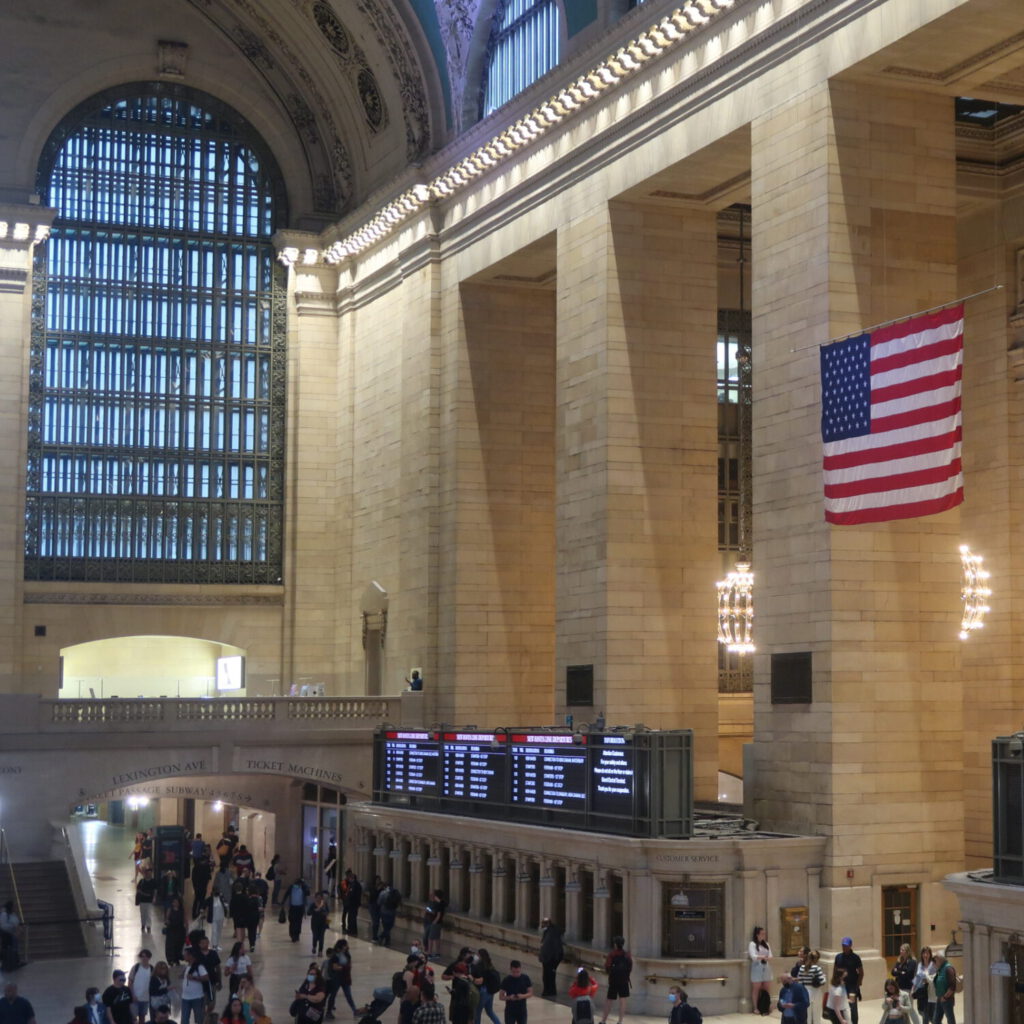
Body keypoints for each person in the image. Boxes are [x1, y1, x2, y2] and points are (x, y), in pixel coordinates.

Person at [601, 937, 632, 1024]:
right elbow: (630, 967)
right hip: (624, 980)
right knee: (623, 1001)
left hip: (613, 980)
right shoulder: (627, 955)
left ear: (615, 944)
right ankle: (620, 1021)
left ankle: (603, 1021)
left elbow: (607, 966)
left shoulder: (612, 954)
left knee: (609, 1000)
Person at [325, 939, 358, 1019]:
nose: (347, 946)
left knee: (348, 995)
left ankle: (355, 1011)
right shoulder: (335, 955)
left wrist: (342, 967)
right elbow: (335, 967)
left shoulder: (347, 954)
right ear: (342, 946)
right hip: (336, 979)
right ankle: (328, 1012)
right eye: (346, 945)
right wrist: (344, 967)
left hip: (345, 978)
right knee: (333, 995)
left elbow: (347, 965)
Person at [834, 938, 863, 1024]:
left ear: (850, 946)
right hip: (841, 986)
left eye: (846, 945)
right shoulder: (838, 957)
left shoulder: (855, 957)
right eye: (843, 945)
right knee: (840, 1006)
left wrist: (857, 986)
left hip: (852, 986)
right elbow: (835, 970)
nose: (844, 947)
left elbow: (861, 972)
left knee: (853, 1006)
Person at [890, 945, 921, 1024]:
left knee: (909, 1009)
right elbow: (893, 972)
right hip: (899, 988)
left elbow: (909, 974)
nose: (900, 951)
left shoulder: (912, 962)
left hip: (908, 988)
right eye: (900, 949)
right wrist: (901, 972)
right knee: (902, 1009)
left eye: (902, 950)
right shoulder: (899, 961)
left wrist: (898, 971)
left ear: (907, 951)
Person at [470, 948, 502, 1024]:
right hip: (491, 991)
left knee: (478, 1012)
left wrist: (472, 979)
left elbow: (479, 981)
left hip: (484, 991)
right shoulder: (489, 963)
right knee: (489, 1011)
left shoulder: (480, 966)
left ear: (480, 956)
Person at [179, 948, 211, 1024]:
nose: (184, 956)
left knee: (199, 1018)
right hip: (185, 997)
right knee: (184, 1019)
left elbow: (206, 977)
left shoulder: (199, 967)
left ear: (191, 956)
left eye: (185, 954)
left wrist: (194, 978)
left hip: (197, 997)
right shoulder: (187, 967)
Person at [748, 926, 773, 1016]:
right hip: (756, 967)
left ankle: (766, 1005)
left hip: (766, 967)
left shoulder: (766, 944)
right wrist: (762, 957)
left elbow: (770, 956)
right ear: (757, 934)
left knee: (767, 987)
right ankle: (756, 1007)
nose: (764, 935)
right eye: (762, 934)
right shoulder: (752, 944)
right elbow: (753, 956)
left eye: (764, 934)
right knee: (756, 988)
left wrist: (764, 957)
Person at [538, 918, 563, 999]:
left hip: (551, 958)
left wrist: (555, 958)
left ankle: (549, 991)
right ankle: (549, 990)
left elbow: (554, 946)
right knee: (548, 975)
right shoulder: (548, 932)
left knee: (549, 975)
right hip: (548, 958)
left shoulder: (552, 932)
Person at [128, 950, 155, 1024]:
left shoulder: (152, 969)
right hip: (135, 998)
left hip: (145, 999)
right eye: (142, 956)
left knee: (142, 1017)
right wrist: (132, 995)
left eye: (146, 956)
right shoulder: (136, 967)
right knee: (133, 1018)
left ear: (149, 958)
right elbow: (130, 982)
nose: (144, 958)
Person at [931, 951, 957, 1024]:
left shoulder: (948, 968)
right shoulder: (940, 969)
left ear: (940, 959)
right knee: (936, 1020)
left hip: (947, 999)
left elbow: (952, 986)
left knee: (950, 1019)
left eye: (935, 960)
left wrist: (945, 997)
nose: (934, 962)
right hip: (939, 998)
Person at [912, 948, 936, 1024]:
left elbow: (935, 977)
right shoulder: (920, 964)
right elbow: (917, 977)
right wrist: (913, 988)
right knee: (920, 1010)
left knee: (926, 1013)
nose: (925, 955)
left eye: (927, 953)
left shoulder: (933, 965)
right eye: (924, 953)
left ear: (930, 954)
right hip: (920, 991)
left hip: (929, 992)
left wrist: (927, 978)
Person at [287, 877, 311, 943]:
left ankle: (296, 935)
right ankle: (293, 934)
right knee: (293, 921)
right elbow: (286, 894)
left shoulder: (303, 888)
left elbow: (308, 893)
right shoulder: (291, 887)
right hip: (293, 907)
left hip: (300, 908)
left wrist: (304, 885)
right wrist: (283, 903)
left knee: (298, 922)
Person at [423, 889, 446, 960]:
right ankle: (436, 953)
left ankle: (430, 953)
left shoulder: (440, 904)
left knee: (431, 938)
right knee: (435, 938)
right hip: (432, 922)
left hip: (435, 923)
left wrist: (434, 922)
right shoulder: (434, 903)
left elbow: (438, 914)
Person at [164, 896, 187, 966]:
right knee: (171, 945)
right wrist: (167, 922)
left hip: (180, 929)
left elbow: (185, 920)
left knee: (179, 944)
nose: (175, 903)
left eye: (176, 902)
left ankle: (177, 958)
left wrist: (186, 929)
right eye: (174, 902)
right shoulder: (170, 909)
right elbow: (167, 919)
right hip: (172, 929)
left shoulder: (182, 910)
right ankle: (171, 959)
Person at [0, 902, 22, 970]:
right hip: (7, 935)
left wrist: (17, 929)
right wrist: (12, 926)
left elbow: (16, 922)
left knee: (15, 948)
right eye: (13, 907)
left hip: (13, 934)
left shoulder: (13, 914)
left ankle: (15, 961)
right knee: (7, 949)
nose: (14, 908)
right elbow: (3, 926)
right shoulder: (4, 914)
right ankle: (7, 962)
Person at [378, 882, 401, 947]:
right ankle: (387, 941)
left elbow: (379, 902)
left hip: (384, 912)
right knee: (389, 927)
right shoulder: (395, 892)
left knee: (385, 927)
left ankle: (381, 937)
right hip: (392, 912)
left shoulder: (383, 893)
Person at [309, 891, 330, 956]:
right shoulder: (313, 905)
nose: (319, 899)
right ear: (315, 898)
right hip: (314, 923)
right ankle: (314, 946)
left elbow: (328, 912)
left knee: (321, 937)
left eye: (320, 897)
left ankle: (320, 951)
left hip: (323, 923)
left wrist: (323, 912)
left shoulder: (324, 904)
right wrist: (314, 911)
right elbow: (308, 912)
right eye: (317, 898)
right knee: (315, 936)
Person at [342, 871, 363, 936]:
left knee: (352, 918)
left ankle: (353, 931)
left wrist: (348, 897)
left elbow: (352, 894)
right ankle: (350, 930)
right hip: (351, 904)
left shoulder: (355, 885)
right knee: (350, 917)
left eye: (350, 877)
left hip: (353, 904)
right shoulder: (352, 884)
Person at [368, 876, 385, 943]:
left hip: (378, 906)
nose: (378, 881)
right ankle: (374, 936)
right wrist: (378, 889)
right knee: (375, 922)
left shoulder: (381, 888)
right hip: (373, 906)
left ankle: (377, 936)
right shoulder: (372, 887)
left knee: (377, 922)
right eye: (377, 880)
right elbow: (373, 895)